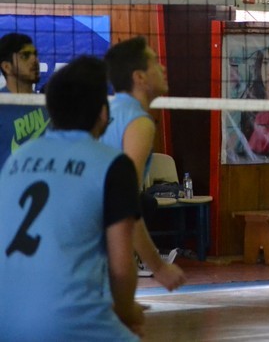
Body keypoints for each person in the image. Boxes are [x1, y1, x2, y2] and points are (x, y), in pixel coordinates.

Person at [0, 56, 144, 340]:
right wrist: (128, 312)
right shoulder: (112, 163)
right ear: (103, 113)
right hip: (66, 322)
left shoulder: (17, 158)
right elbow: (121, 268)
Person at [100, 36, 187, 290]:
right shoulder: (139, 123)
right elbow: (125, 201)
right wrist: (158, 267)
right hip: (98, 232)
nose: (163, 68)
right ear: (139, 77)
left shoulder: (106, 111)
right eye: (155, 62)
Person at [0, 32, 47, 170]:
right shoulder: (2, 106)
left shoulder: (48, 105)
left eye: (35, 54)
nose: (35, 60)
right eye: (25, 56)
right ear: (7, 67)